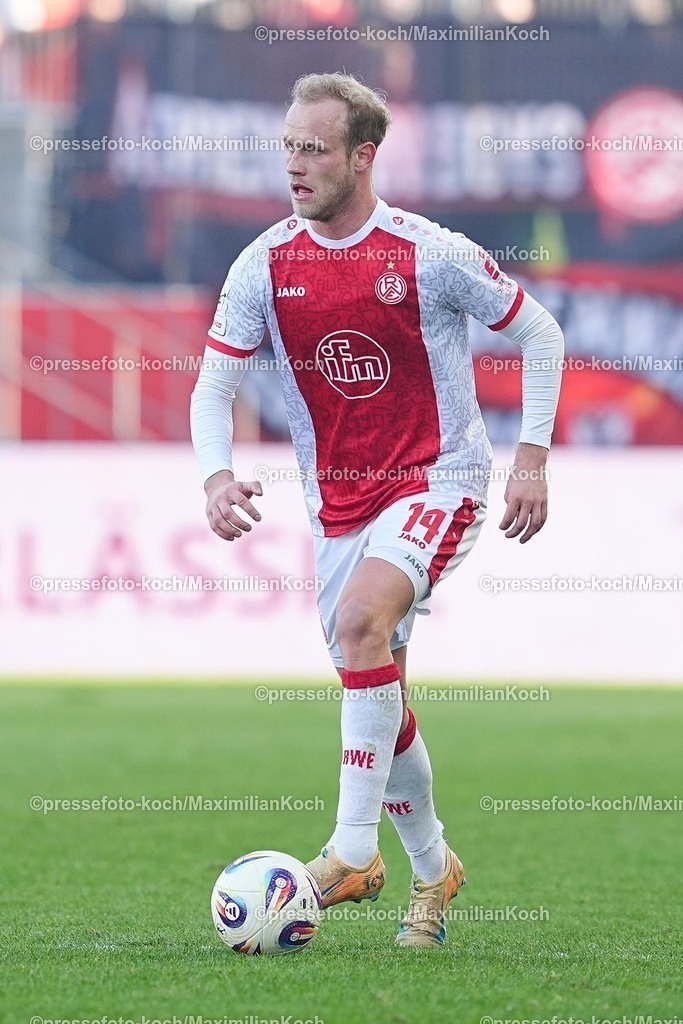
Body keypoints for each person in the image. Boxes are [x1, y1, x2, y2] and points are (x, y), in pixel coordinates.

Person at [190, 72, 563, 948]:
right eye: (288, 146)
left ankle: (351, 851)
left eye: (314, 149)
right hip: (337, 506)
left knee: (361, 622)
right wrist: (215, 477)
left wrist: (531, 460)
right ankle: (433, 872)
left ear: (362, 156)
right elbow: (214, 385)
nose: (294, 164)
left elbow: (539, 332)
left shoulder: (428, 251)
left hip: (439, 480)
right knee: (375, 683)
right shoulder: (263, 263)